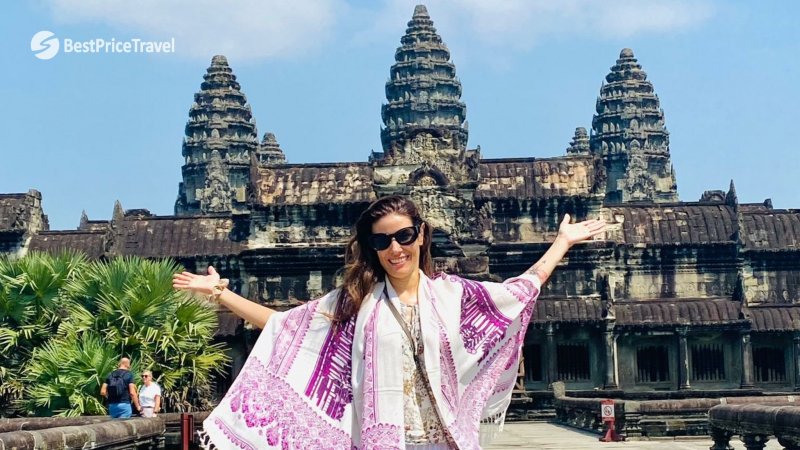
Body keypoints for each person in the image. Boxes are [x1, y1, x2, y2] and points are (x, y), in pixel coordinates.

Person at [173, 195, 605, 450]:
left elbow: (518, 291)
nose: (395, 249)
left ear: (421, 235)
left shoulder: (453, 295)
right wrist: (219, 293)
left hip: (444, 439)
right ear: (373, 248)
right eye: (382, 241)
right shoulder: (356, 302)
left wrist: (561, 243)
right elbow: (285, 325)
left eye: (404, 236)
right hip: (383, 439)